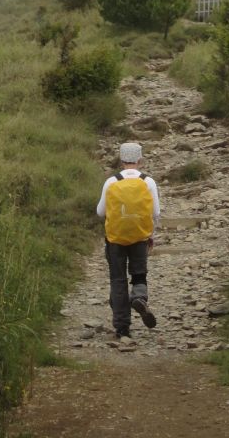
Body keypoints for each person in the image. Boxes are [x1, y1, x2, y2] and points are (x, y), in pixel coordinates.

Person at [96, 141, 161, 339]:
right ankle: (139, 298)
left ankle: (122, 327)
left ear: (121, 159)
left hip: (115, 238)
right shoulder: (148, 182)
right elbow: (156, 213)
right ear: (140, 159)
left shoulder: (111, 182)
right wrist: (151, 234)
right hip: (140, 236)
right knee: (139, 275)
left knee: (118, 280)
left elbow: (100, 212)